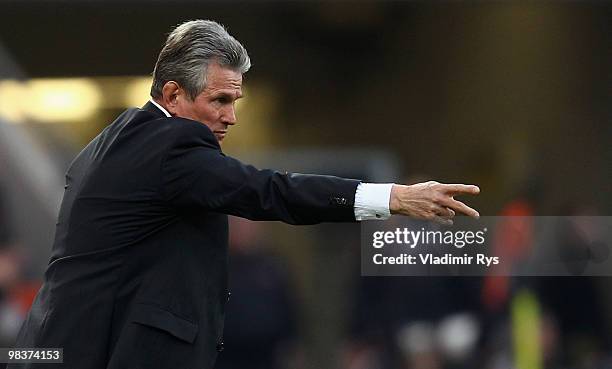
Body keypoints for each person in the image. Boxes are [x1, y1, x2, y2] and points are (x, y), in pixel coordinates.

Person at [9, 20, 480, 369]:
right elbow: (269, 190)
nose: (231, 117)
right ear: (173, 96)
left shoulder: (109, 143)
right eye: (220, 100)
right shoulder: (174, 145)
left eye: (235, 101)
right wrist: (391, 198)